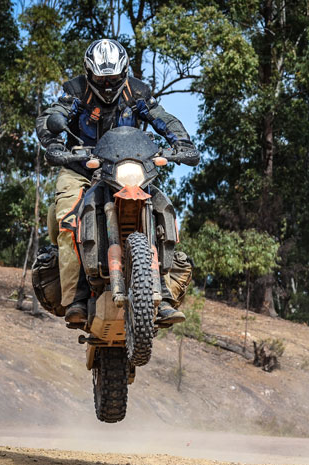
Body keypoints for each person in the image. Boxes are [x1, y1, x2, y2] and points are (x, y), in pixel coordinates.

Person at [36, 38, 195, 325]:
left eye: (112, 78)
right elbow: (53, 115)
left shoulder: (137, 93)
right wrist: (55, 142)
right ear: (89, 73)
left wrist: (181, 142)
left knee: (162, 207)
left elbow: (162, 118)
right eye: (100, 78)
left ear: (124, 72)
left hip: (128, 168)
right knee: (67, 218)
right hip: (81, 169)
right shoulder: (75, 93)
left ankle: (164, 292)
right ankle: (76, 297)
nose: (107, 84)